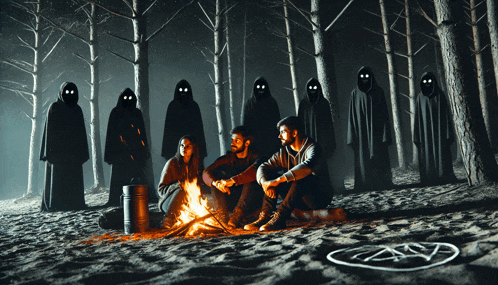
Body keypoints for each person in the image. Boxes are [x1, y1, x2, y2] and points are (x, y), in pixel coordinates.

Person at [244, 116, 333, 232]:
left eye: (283, 132)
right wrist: (265, 183)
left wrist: (278, 181)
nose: (279, 136)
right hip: (296, 199)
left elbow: (306, 166)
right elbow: (263, 166)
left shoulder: (313, 148)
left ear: (295, 133)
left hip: (317, 198)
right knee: (271, 175)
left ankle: (280, 217)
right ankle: (265, 215)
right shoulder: (284, 152)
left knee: (302, 177)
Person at [40, 82, 89, 211]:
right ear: (61, 93)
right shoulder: (54, 108)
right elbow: (49, 132)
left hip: (73, 153)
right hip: (59, 153)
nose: (69, 95)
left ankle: (74, 203)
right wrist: (50, 153)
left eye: (72, 92)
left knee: (72, 179)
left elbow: (81, 133)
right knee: (58, 179)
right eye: (66, 92)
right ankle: (57, 204)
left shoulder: (77, 109)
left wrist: (82, 152)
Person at [202, 126, 264, 229]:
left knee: (250, 178)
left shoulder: (256, 157)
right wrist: (216, 183)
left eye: (237, 140)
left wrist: (232, 181)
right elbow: (206, 172)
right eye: (232, 140)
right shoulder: (228, 158)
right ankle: (221, 215)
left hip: (252, 202)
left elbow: (254, 170)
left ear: (247, 143)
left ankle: (238, 215)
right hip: (232, 200)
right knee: (216, 179)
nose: (232, 143)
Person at [347, 66, 393, 192]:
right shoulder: (354, 94)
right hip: (361, 135)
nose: (365, 79)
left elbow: (384, 114)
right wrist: (352, 136)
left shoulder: (379, 91)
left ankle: (381, 183)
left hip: (377, 133)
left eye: (367, 76)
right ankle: (365, 183)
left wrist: (386, 134)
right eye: (362, 76)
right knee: (363, 158)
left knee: (379, 157)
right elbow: (352, 117)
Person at [104, 88, 151, 207]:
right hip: (120, 153)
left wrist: (143, 151)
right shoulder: (115, 112)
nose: (128, 101)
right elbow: (111, 135)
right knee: (120, 177)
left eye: (130, 98)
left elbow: (142, 134)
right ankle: (117, 199)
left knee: (135, 177)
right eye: (125, 98)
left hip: (135, 152)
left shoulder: (136, 113)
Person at [413, 72, 457, 185]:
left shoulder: (440, 95)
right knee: (427, 155)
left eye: (429, 81)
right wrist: (417, 136)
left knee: (441, 153)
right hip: (425, 135)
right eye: (424, 81)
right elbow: (417, 118)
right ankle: (429, 177)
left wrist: (448, 133)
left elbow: (446, 116)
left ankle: (444, 176)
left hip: (439, 134)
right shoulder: (420, 98)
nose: (427, 84)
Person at [157, 135, 203, 228]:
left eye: (188, 146)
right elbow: (161, 190)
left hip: (186, 204)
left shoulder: (195, 166)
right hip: (168, 203)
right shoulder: (172, 163)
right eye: (182, 145)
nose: (184, 148)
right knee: (183, 189)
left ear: (193, 149)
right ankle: (167, 220)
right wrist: (177, 186)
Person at [161, 80, 207, 166]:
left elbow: (199, 129)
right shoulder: (173, 106)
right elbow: (168, 130)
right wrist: (167, 152)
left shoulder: (193, 106)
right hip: (175, 146)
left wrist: (201, 151)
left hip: (191, 146)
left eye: (185, 90)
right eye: (181, 90)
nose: (183, 93)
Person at [242, 76, 281, 158]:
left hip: (269, 140)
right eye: (258, 87)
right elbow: (245, 123)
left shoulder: (272, 102)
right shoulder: (249, 103)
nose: (260, 89)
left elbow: (277, 122)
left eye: (262, 86)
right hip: (255, 140)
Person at [298, 78, 336, 157]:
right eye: (310, 88)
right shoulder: (303, 104)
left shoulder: (324, 103)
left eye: (314, 87)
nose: (312, 90)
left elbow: (329, 125)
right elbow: (300, 124)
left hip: (322, 141)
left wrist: (331, 143)